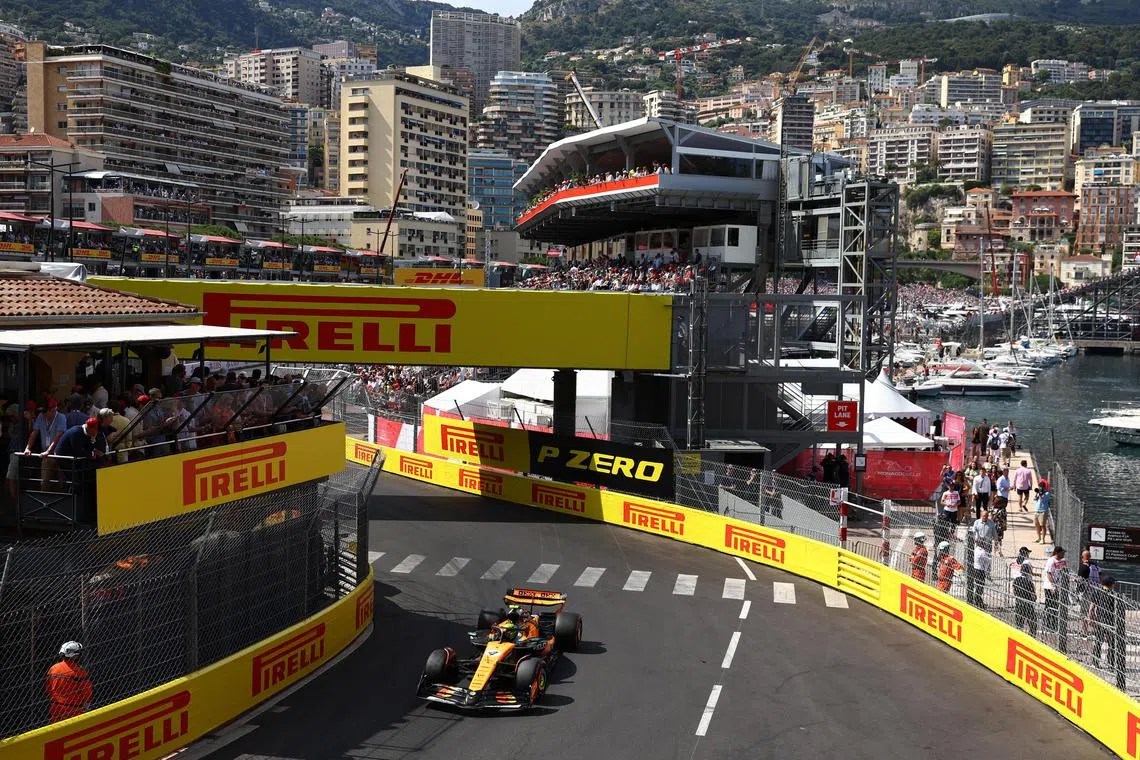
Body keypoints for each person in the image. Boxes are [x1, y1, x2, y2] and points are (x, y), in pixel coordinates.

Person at [45, 641, 92, 723]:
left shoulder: (53, 668)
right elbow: (86, 691)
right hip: (74, 709)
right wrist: (86, 704)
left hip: (55, 707)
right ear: (75, 656)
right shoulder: (79, 672)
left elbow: (48, 688)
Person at [1088, 575, 1120, 670]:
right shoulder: (1113, 595)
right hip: (1111, 620)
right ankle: (1110, 663)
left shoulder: (1097, 592)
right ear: (1111, 585)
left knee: (1098, 640)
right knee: (1112, 643)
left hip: (1100, 619)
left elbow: (1092, 607)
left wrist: (1090, 618)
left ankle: (1095, 661)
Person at [1043, 545, 1067, 632]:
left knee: (1057, 606)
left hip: (1059, 586)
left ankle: (1055, 625)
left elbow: (1065, 571)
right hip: (1050, 587)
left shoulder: (1063, 561)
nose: (1064, 554)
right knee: (1050, 605)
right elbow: (1049, 574)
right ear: (1057, 553)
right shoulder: (1051, 560)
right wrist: (1053, 585)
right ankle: (1049, 625)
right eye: (1062, 552)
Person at [1013, 561, 1039, 637]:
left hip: (1018, 604)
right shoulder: (1029, 582)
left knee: (1019, 624)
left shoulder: (1016, 580)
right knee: (1033, 624)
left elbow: (1014, 591)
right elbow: (1034, 596)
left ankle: (1019, 638)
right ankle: (1031, 637)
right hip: (1028, 606)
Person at [970, 541, 991, 609]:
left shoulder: (975, 549)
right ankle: (977, 601)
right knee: (980, 587)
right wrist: (990, 558)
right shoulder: (982, 551)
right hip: (980, 570)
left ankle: (977, 600)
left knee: (978, 586)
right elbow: (987, 560)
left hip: (975, 569)